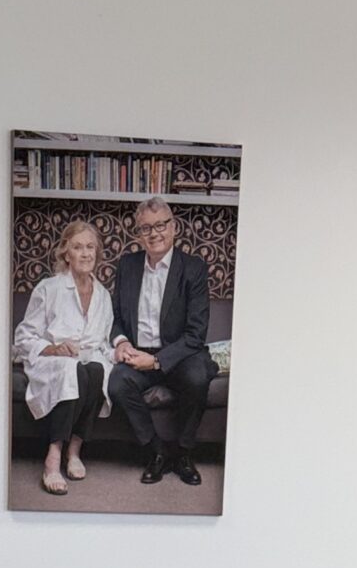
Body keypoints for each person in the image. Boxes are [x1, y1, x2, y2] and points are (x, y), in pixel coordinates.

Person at [105, 199, 215, 487]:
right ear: (138, 234)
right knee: (117, 383)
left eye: (160, 225)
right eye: (146, 228)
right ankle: (157, 452)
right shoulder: (127, 265)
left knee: (198, 376)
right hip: (138, 351)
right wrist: (121, 342)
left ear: (173, 227)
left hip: (180, 355)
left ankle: (183, 453)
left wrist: (156, 361)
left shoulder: (193, 268)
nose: (154, 233)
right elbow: (114, 316)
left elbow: (196, 334)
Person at [13, 219, 115, 498]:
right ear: (66, 253)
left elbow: (103, 344)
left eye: (90, 247)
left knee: (98, 370)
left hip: (87, 360)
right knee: (73, 371)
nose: (85, 254)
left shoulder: (103, 296)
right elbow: (23, 337)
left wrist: (120, 352)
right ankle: (54, 456)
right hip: (52, 361)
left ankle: (75, 451)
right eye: (78, 247)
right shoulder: (49, 288)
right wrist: (55, 349)